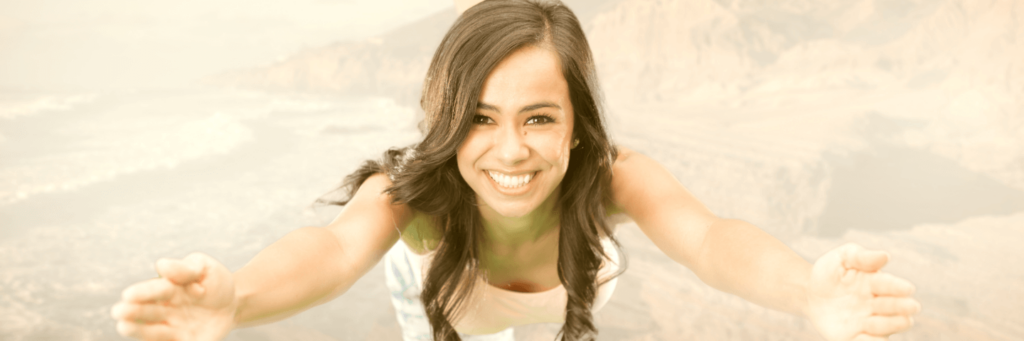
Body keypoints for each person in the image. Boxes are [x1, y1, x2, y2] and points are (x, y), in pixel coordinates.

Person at [110, 0, 921, 340]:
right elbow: (330, 251)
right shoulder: (412, 193)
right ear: (447, 123)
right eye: (479, 119)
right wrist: (240, 296)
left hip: (568, 294)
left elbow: (710, 240)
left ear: (577, 127)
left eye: (539, 118)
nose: (509, 151)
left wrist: (806, 291)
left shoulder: (609, 176)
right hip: (438, 299)